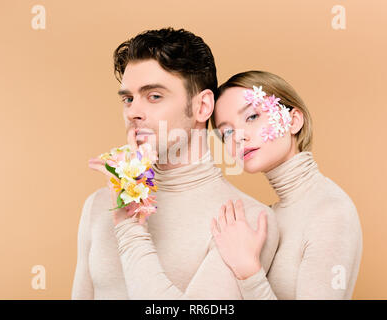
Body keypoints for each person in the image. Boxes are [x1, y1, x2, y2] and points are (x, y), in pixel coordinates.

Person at [71, 28, 280, 299]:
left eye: (154, 96)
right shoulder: (99, 204)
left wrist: (130, 227)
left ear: (203, 106)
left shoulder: (246, 220)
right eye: (128, 99)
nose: (133, 112)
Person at [210, 70, 363, 299]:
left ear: (293, 121)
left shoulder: (330, 211)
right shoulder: (267, 214)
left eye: (252, 117)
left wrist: (249, 273)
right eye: (227, 132)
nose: (238, 136)